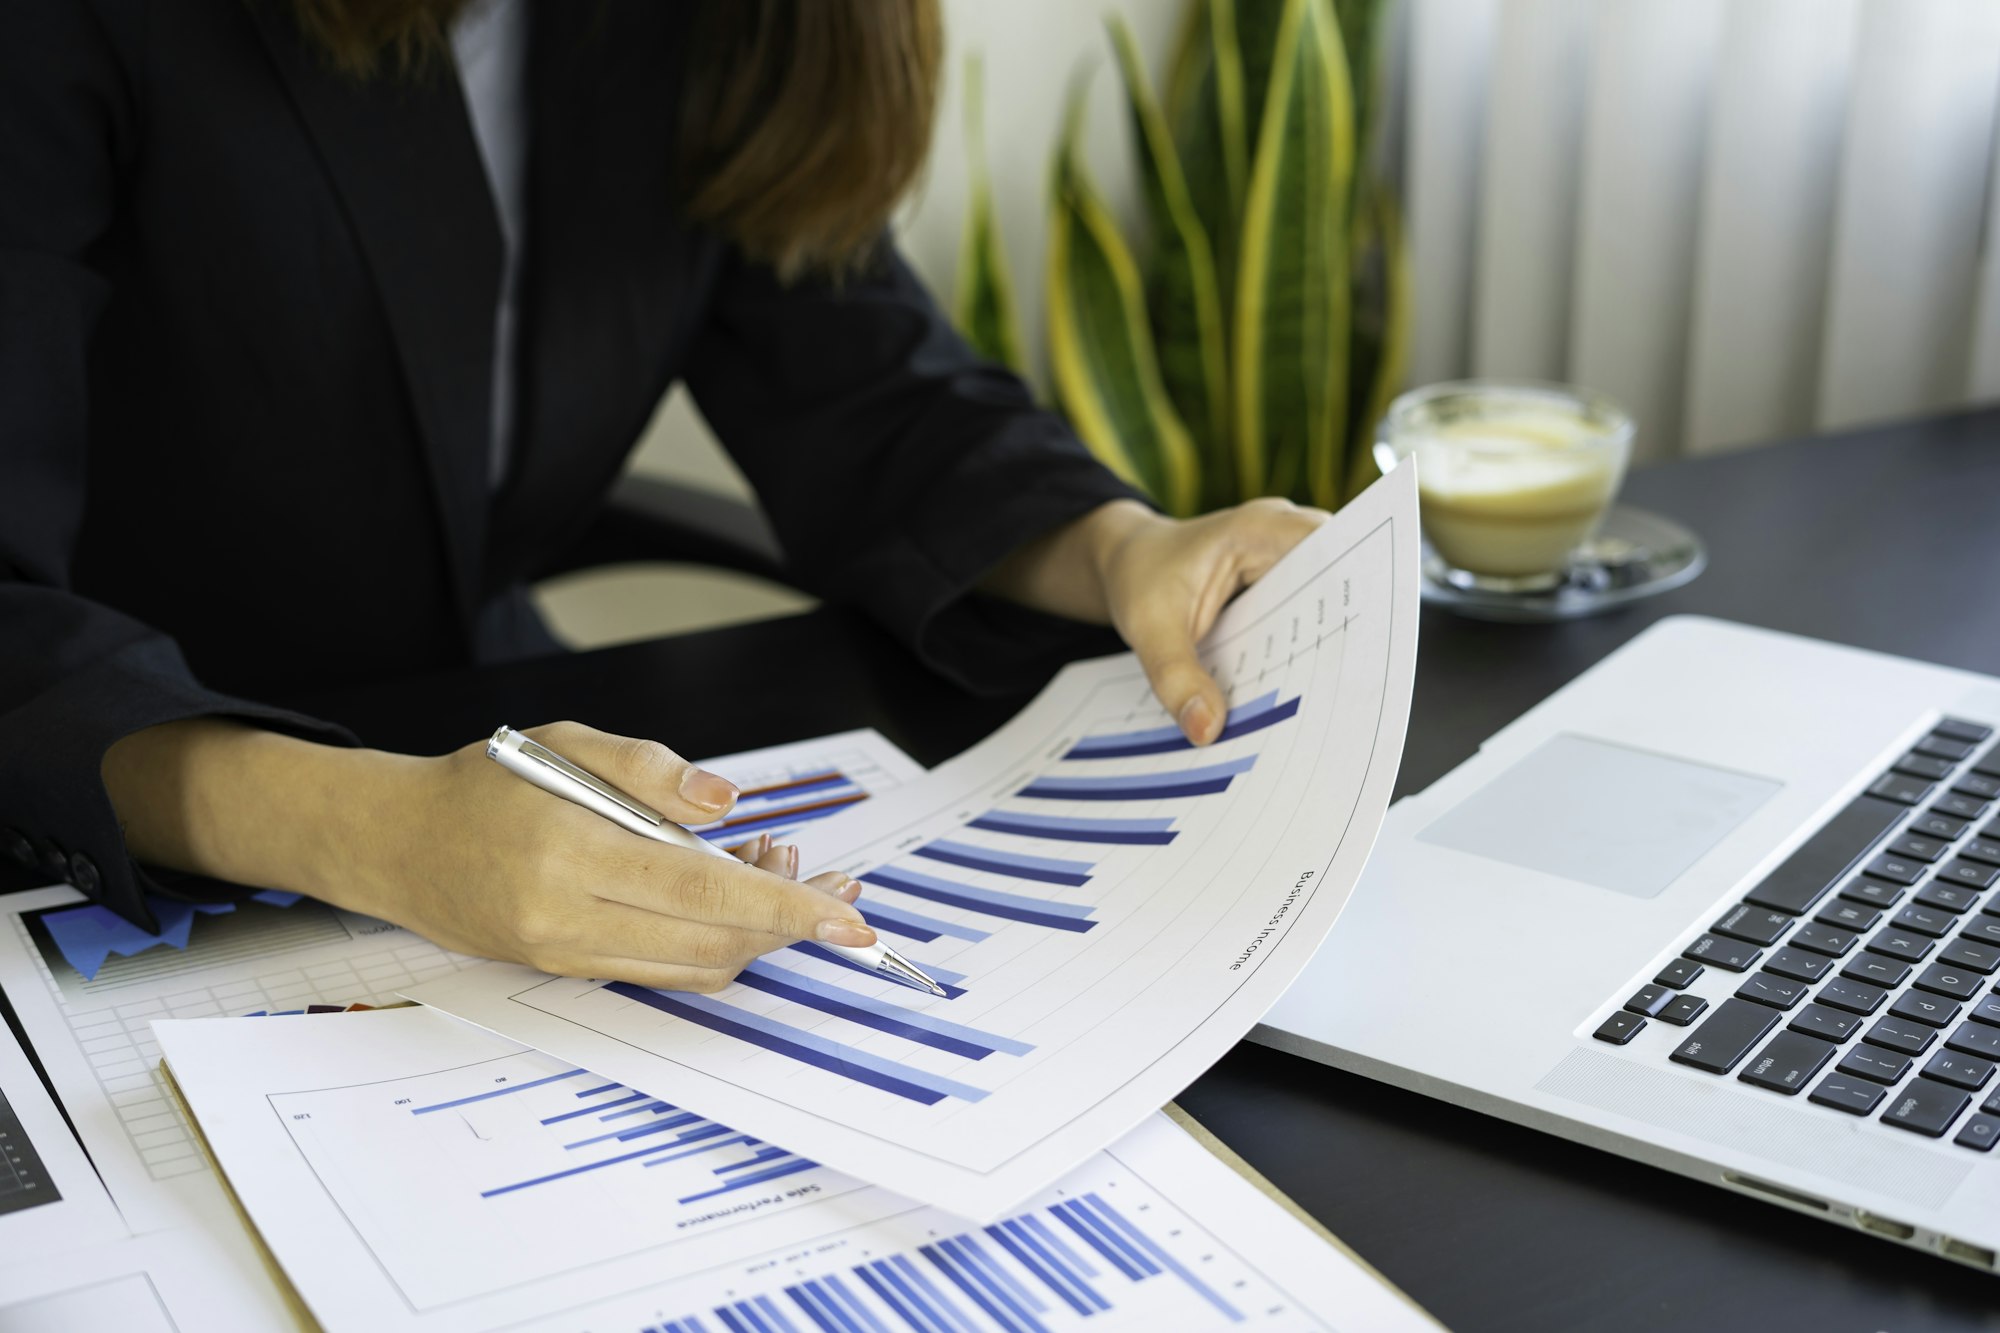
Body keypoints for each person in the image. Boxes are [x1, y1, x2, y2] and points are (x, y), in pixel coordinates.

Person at [0, 0, 1324, 993]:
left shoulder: (700, 28)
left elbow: (869, 379)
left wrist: (1120, 548)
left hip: (489, 736)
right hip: (97, 802)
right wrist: (382, 831)